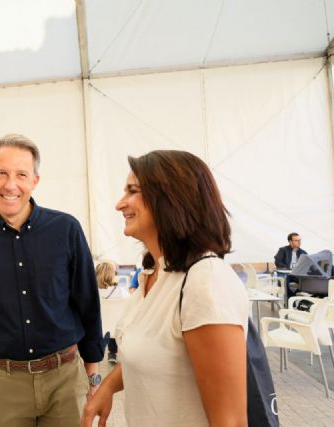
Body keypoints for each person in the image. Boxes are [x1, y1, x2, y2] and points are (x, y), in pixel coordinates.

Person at [0, 134, 105, 427]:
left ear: (35, 181)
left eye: (21, 175)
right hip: (2, 384)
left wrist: (93, 376)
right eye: (1, 174)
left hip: (65, 380)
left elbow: (88, 304)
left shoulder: (66, 229)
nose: (10, 185)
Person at [82, 150, 249, 427]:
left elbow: (230, 421)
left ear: (171, 199)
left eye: (132, 191)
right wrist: (109, 385)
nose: (119, 204)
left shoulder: (206, 283)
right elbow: (158, 352)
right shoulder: (156, 273)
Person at [95, 261, 124, 365]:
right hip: (113, 326)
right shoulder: (119, 290)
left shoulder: (93, 290)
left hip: (97, 325)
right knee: (114, 323)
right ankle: (112, 353)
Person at [274, 232, 307, 297]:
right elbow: (277, 262)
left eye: (300, 240)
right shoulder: (283, 250)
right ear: (290, 242)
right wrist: (288, 269)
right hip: (285, 273)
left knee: (305, 282)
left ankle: (296, 298)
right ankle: (290, 299)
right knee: (284, 282)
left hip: (297, 274)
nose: (299, 242)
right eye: (296, 240)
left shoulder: (303, 253)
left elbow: (306, 265)